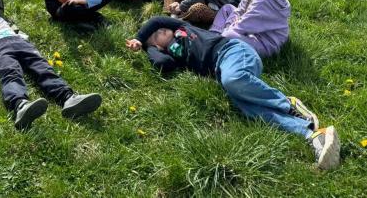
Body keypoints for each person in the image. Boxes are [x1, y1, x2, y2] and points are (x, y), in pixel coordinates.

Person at [125, 16, 340, 170]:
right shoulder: (170, 55)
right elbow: (162, 64)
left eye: (161, 29)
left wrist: (140, 37)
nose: (161, 30)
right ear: (157, 47)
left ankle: (287, 104)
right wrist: (147, 47)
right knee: (248, 108)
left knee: (232, 80)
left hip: (232, 52)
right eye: (156, 36)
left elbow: (156, 20)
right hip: (227, 74)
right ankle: (312, 135)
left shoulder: (183, 28)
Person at [0, 0, 103, 130]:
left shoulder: (1, 19)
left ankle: (68, 98)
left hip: (20, 43)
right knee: (10, 72)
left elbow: (11, 25)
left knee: (42, 67)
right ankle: (21, 105)